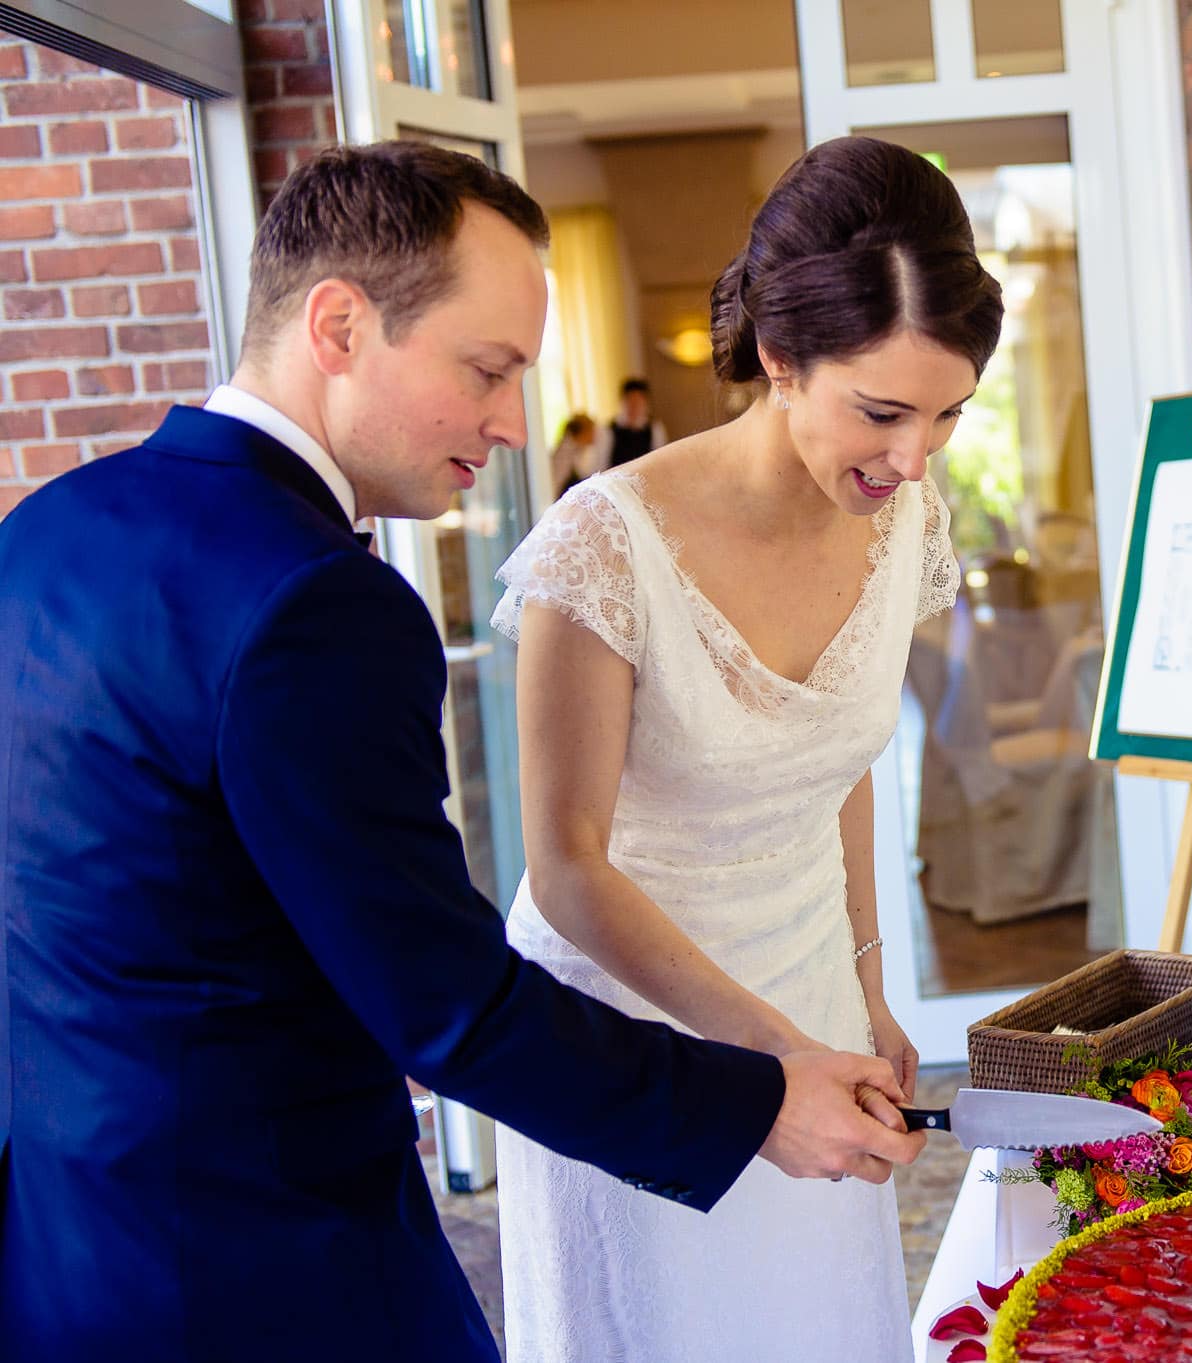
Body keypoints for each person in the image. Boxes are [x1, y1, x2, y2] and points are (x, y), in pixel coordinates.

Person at [0, 142, 924, 1363]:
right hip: (269, 1264)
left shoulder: (46, 528)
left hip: (63, 1245)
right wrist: (755, 1102)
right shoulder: (318, 604)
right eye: (486, 370)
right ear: (338, 326)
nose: (508, 421)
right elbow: (445, 1005)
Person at [492, 135, 1002, 1362]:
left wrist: (869, 989)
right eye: (880, 411)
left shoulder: (905, 519)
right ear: (780, 357)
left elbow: (837, 764)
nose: (912, 457)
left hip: (810, 983)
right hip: (629, 1023)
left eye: (945, 416)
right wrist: (774, 1062)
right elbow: (567, 866)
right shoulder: (599, 549)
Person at [592, 376, 667, 469]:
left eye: (638, 401)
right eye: (630, 401)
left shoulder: (654, 428)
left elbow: (659, 461)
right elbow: (600, 466)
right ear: (622, 401)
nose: (634, 406)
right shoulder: (608, 431)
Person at [550, 410, 596, 498]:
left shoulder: (579, 451)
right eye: (591, 431)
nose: (594, 435)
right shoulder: (564, 455)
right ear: (583, 432)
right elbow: (556, 485)